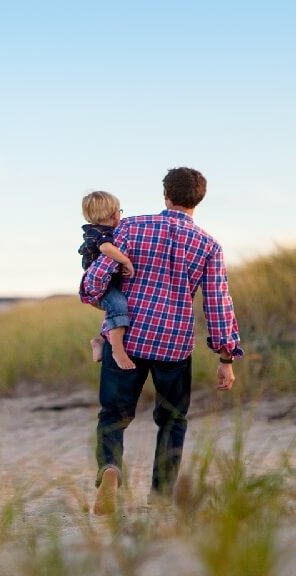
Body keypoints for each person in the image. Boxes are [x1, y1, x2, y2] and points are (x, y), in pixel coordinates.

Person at [81, 167, 242, 515]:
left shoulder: (130, 227)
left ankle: (110, 469)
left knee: (113, 415)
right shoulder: (209, 245)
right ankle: (161, 497)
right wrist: (226, 358)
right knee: (172, 420)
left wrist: (97, 296)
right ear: (199, 200)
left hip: (128, 337)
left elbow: (94, 281)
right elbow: (217, 303)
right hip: (174, 344)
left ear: (165, 195)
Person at [78, 191, 136, 370]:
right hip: (101, 283)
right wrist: (125, 261)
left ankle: (100, 341)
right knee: (118, 306)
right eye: (120, 211)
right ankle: (117, 351)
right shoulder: (102, 233)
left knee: (114, 310)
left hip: (107, 281)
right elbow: (106, 249)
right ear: (113, 214)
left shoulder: (94, 230)